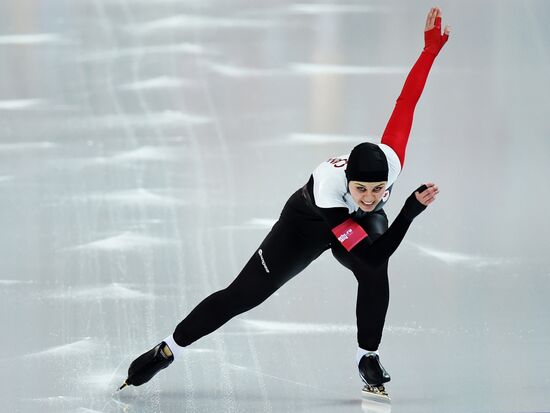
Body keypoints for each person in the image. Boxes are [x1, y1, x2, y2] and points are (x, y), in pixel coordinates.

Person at [119, 7, 450, 396]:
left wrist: (429, 50)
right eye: (361, 189)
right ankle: (167, 349)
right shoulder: (330, 189)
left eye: (378, 191)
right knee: (244, 295)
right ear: (348, 180)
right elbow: (370, 254)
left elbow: (406, 102)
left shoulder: (390, 160)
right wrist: (409, 210)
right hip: (305, 225)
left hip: (351, 227)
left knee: (376, 271)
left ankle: (368, 358)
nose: (370, 197)